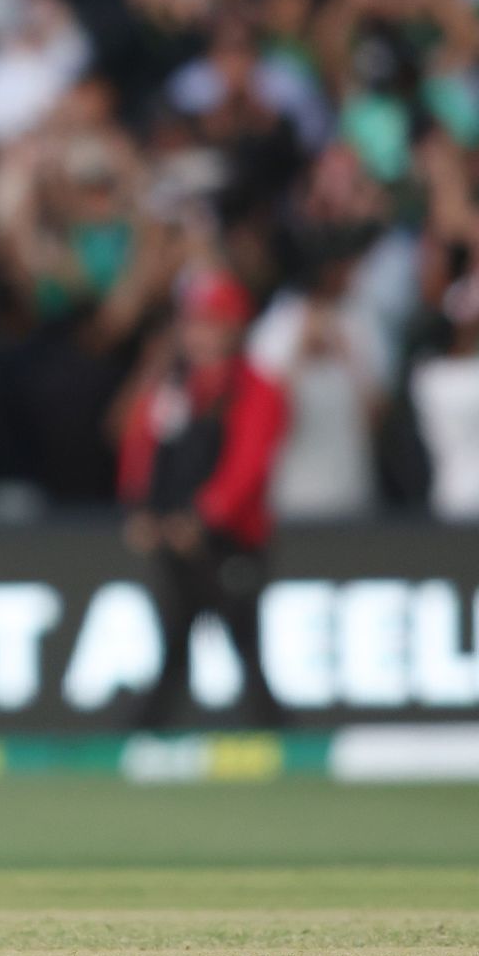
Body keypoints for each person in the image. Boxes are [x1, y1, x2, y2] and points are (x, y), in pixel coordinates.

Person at [119, 270, 290, 729]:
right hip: (176, 542)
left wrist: (202, 517)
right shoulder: (173, 386)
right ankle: (146, 734)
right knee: (175, 643)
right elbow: (141, 448)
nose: (196, 334)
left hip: (230, 544)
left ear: (233, 327)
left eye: (208, 322)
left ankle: (274, 735)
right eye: (192, 322)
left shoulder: (257, 388)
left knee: (244, 643)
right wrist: (142, 511)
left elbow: (248, 468)